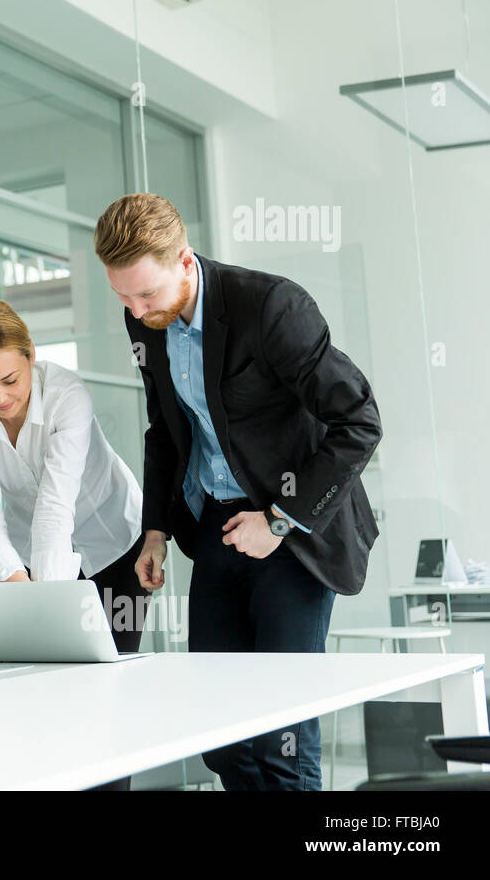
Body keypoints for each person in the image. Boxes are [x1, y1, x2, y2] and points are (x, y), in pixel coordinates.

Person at [95, 192, 382, 791]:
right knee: (221, 739)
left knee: (280, 734)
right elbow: (166, 430)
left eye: (146, 293)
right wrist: (156, 530)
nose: (135, 307)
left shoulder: (270, 306)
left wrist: (278, 519)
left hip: (292, 537)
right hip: (216, 530)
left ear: (184, 260)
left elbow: (360, 422)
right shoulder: (144, 319)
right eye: (122, 294)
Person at [0, 299, 148, 654]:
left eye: (10, 380)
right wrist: (20, 587)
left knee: (110, 662)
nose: (0, 398)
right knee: (42, 667)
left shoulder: (67, 395)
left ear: (31, 355)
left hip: (112, 538)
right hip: (30, 548)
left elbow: (55, 504)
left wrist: (45, 603)